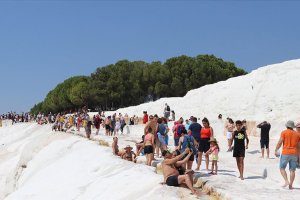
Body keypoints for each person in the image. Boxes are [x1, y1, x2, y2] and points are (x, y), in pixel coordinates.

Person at [275, 121, 300, 189]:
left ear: (287, 126)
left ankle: (286, 181)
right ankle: (291, 185)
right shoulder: (297, 134)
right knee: (292, 170)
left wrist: (276, 149)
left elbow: (280, 142)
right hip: (294, 153)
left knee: (282, 168)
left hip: (286, 153)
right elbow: (298, 147)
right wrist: (298, 157)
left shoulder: (284, 132)